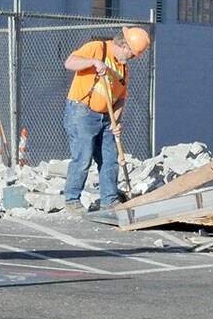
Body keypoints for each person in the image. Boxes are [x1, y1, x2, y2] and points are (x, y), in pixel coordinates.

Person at [62, 26, 151, 213]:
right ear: (124, 46)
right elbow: (69, 62)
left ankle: (109, 200)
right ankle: (72, 200)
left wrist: (115, 122)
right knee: (83, 157)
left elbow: (120, 98)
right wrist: (93, 62)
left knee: (110, 158)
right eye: (133, 54)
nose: (133, 58)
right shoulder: (97, 48)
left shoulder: (123, 68)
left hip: (105, 117)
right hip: (82, 112)